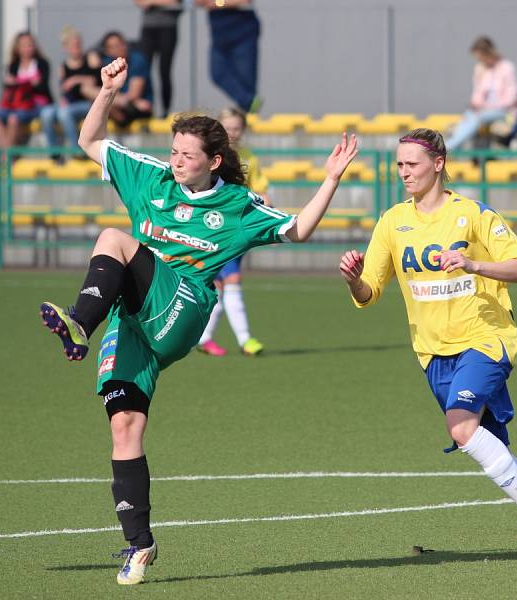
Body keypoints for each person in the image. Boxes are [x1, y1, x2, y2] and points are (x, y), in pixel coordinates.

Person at [39, 56, 358, 585]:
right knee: (125, 428)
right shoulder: (150, 178)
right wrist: (108, 92)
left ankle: (78, 323)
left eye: (187, 154)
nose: (177, 160)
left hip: (184, 305)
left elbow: (298, 229)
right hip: (136, 322)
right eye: (174, 151)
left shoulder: (236, 205)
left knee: (114, 238)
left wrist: (330, 180)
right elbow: (88, 142)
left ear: (214, 161)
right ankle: (140, 545)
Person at [338, 128, 517, 564]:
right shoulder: (392, 222)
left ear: (438, 164)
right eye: (399, 165)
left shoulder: (472, 214)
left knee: (460, 426)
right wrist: (354, 279)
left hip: (486, 338)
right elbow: (369, 294)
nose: (404, 173)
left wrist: (473, 262)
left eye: (412, 164)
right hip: (433, 353)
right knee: (484, 442)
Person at [197, 107, 269, 356]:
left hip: (238, 227)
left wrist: (264, 201)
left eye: (237, 128)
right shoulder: (213, 157)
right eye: (228, 128)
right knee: (230, 280)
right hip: (216, 228)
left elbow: (260, 188)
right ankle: (245, 340)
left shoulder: (249, 157)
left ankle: (204, 338)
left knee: (220, 285)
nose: (233, 133)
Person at [446, 37, 517, 152]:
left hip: (504, 112)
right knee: (467, 116)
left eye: (481, 57)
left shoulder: (507, 67)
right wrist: (475, 104)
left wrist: (486, 107)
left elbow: (510, 99)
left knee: (476, 117)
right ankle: (453, 148)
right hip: (482, 111)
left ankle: (448, 147)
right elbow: (477, 94)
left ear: (488, 53)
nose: (480, 61)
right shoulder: (480, 69)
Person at [40, 27, 101, 151]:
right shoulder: (63, 66)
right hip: (71, 104)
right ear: (65, 48)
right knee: (46, 113)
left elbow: (96, 80)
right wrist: (64, 99)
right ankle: (54, 151)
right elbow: (64, 89)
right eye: (72, 45)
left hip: (88, 103)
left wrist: (75, 80)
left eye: (78, 44)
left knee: (64, 113)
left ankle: (76, 150)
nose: (76, 48)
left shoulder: (90, 59)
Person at [195, 0, 262, 113]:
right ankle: (249, 104)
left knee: (245, 78)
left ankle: (248, 113)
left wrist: (218, 3)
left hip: (243, 32)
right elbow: (198, 1)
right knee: (217, 73)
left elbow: (244, 1)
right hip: (219, 36)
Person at [0, 32, 52, 150]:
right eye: (24, 45)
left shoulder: (42, 64)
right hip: (16, 104)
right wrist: (27, 82)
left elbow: (40, 86)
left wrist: (17, 82)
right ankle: (8, 154)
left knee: (13, 119)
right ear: (18, 48)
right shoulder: (13, 65)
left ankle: (6, 158)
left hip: (35, 104)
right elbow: (11, 88)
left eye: (30, 44)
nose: (28, 48)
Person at [135, 0, 182, 117]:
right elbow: (139, 2)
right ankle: (145, 108)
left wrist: (152, 2)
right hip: (148, 28)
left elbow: (175, 2)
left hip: (168, 28)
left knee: (164, 71)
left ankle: (166, 110)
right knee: (143, 69)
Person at [101, 31, 154, 127]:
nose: (118, 48)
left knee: (101, 103)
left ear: (125, 45)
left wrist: (111, 99)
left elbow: (134, 94)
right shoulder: (107, 62)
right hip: (126, 106)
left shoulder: (137, 60)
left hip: (134, 111)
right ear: (107, 51)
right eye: (113, 47)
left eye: (119, 44)